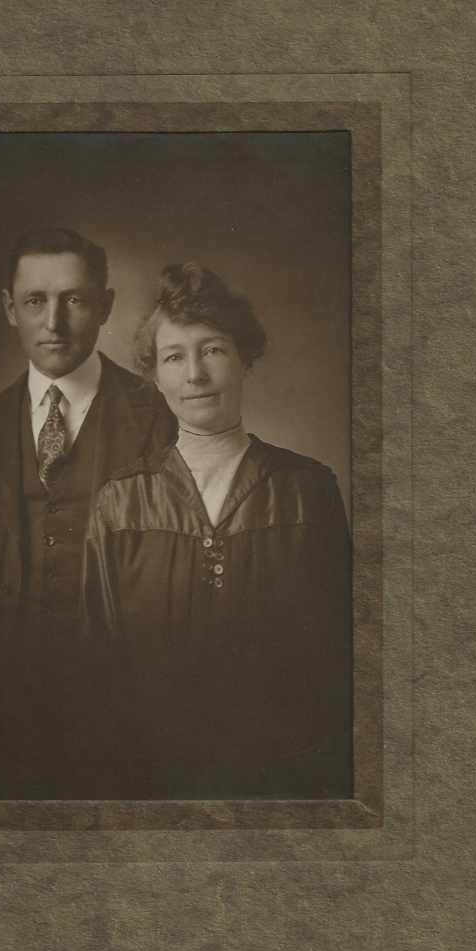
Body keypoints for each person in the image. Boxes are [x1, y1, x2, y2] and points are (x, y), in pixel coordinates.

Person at [0, 227, 175, 801]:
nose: (53, 322)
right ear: (10, 309)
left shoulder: (159, 418)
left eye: (74, 299)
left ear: (105, 306)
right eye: (35, 300)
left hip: (124, 720)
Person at [83, 262, 352, 798]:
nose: (195, 375)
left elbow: (342, 653)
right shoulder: (120, 503)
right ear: (154, 375)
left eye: (212, 350)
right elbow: (97, 668)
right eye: (173, 357)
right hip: (150, 777)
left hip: (283, 777)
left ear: (244, 358)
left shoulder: (308, 490)